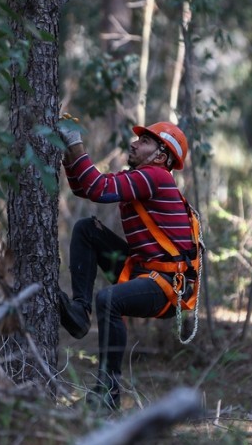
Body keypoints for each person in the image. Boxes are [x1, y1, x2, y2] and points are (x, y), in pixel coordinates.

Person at [58, 118, 195, 410]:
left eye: (144, 141)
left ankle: (108, 393)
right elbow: (85, 189)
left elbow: (96, 187)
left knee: (109, 300)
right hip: (145, 273)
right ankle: (80, 312)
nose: (134, 143)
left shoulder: (155, 177)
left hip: (166, 286)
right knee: (86, 229)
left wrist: (74, 142)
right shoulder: (144, 177)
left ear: (160, 155)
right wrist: (67, 152)